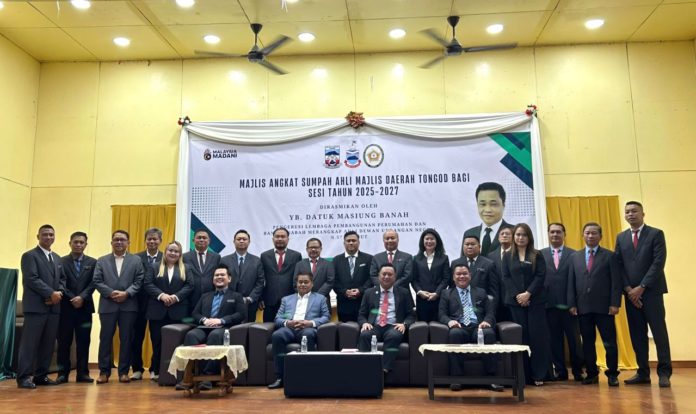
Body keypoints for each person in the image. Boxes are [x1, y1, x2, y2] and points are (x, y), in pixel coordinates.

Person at [614, 201, 672, 388]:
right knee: (637, 335)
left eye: (634, 211)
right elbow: (618, 265)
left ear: (643, 214)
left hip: (652, 293)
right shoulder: (621, 237)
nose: (630, 214)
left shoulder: (656, 234)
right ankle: (643, 373)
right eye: (627, 212)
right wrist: (628, 289)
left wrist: (642, 287)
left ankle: (664, 373)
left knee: (659, 333)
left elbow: (658, 262)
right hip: (631, 295)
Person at [568, 222, 621, 387]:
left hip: (605, 308)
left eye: (594, 233)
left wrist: (615, 303)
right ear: (583, 235)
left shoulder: (610, 256)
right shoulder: (574, 257)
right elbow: (571, 282)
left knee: (609, 342)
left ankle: (612, 374)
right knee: (587, 343)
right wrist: (572, 304)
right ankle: (591, 374)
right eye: (587, 233)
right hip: (583, 308)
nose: (590, 236)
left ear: (600, 236)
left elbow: (616, 282)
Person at [439, 264, 503, 392]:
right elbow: (442, 314)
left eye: (465, 274)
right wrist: (450, 322)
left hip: (478, 326)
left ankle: (491, 378)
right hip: (459, 326)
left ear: (470, 276)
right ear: (453, 277)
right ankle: (457, 378)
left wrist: (486, 321)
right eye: (458, 274)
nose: (462, 276)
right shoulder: (446, 293)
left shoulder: (481, 292)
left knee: (489, 333)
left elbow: (490, 312)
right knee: (454, 334)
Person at [93, 230, 145, 384]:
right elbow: (97, 281)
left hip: (128, 305)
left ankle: (123, 372)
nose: (119, 242)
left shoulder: (136, 260)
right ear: (111, 242)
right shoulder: (102, 260)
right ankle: (104, 372)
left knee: (127, 339)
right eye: (116, 239)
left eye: (122, 240)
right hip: (108, 305)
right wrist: (111, 293)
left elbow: (139, 280)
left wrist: (127, 293)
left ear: (128, 243)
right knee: (105, 338)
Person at [16, 224, 65, 389]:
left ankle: (41, 376)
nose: (49, 237)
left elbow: (62, 280)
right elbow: (31, 278)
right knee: (29, 344)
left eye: (51, 234)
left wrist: (59, 294)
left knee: (48, 344)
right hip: (36, 307)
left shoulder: (57, 258)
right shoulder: (29, 256)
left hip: (54, 308)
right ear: (38, 237)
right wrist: (50, 293)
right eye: (45, 234)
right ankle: (24, 377)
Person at [501, 223, 550, 386]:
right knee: (521, 338)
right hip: (515, 303)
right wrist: (518, 296)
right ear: (513, 237)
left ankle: (538, 375)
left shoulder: (537, 255)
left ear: (529, 237)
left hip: (536, 302)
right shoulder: (507, 256)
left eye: (524, 235)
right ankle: (523, 375)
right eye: (518, 235)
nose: (520, 238)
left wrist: (528, 293)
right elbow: (506, 277)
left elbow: (540, 276)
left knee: (537, 338)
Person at [183, 264, 246, 382]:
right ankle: (190, 376)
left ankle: (207, 377)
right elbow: (195, 313)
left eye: (222, 275)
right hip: (204, 327)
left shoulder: (236, 296)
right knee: (191, 335)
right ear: (213, 279)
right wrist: (204, 320)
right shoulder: (205, 296)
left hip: (223, 328)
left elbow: (241, 314)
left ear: (229, 279)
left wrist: (221, 320)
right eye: (216, 275)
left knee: (215, 335)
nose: (219, 277)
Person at [267, 272, 330, 389]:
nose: (303, 284)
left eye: (306, 282)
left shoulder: (320, 299)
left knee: (308, 335)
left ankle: (308, 376)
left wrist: (310, 323)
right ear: (296, 284)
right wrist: (288, 323)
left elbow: (326, 317)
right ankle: (280, 377)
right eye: (300, 282)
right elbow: (278, 318)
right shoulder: (286, 299)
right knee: (277, 335)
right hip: (290, 328)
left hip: (307, 328)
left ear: (312, 284)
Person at [144, 241, 194, 379]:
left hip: (178, 312)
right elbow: (147, 284)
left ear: (180, 254)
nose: (173, 253)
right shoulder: (154, 267)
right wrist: (162, 295)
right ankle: (156, 371)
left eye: (176, 251)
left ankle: (175, 372)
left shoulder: (186, 268)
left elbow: (190, 285)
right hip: (157, 312)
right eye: (170, 250)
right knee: (157, 342)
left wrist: (176, 297)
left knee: (176, 343)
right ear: (165, 252)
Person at [540, 223, 584, 382]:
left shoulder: (575, 255)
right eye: (552, 232)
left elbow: (578, 281)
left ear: (564, 234)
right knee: (555, 340)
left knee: (574, 340)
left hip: (570, 306)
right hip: (549, 306)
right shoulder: (540, 254)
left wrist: (575, 303)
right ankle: (560, 371)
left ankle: (578, 371)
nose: (555, 235)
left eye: (558, 232)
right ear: (548, 234)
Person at [358, 264, 416, 374]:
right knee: (365, 335)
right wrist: (364, 323)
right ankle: (364, 369)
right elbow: (361, 314)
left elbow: (411, 315)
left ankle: (383, 370)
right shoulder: (369, 292)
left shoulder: (404, 292)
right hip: (374, 325)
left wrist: (404, 324)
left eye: (390, 274)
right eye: (384, 274)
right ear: (379, 276)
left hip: (393, 325)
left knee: (394, 336)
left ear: (395, 277)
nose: (386, 277)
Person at [56, 231, 96, 384]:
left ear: (86, 244)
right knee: (64, 342)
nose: (78, 245)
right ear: (70, 243)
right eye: (75, 242)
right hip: (66, 307)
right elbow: (59, 282)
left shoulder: (93, 262)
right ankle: (62, 374)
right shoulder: (60, 261)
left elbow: (94, 283)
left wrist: (82, 297)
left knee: (84, 341)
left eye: (81, 242)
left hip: (85, 308)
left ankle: (83, 373)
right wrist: (72, 297)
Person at [131, 227, 163, 381]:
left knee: (157, 338)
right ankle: (137, 369)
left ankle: (154, 369)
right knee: (136, 338)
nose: (152, 241)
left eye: (155, 239)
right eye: (149, 239)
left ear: (160, 241)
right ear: (145, 241)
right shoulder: (136, 258)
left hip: (159, 305)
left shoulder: (166, 257)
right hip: (139, 304)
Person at [220, 229, 265, 322]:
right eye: (239, 239)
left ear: (249, 242)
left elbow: (260, 282)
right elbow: (221, 281)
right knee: (229, 327)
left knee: (248, 328)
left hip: (250, 304)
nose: (241, 241)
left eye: (244, 239)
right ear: (234, 241)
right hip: (229, 302)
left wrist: (250, 298)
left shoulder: (257, 261)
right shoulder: (224, 260)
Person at [260, 227, 302, 322]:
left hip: (290, 300)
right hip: (269, 301)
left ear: (288, 239)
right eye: (277, 236)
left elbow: (298, 277)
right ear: (273, 239)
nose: (280, 239)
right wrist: (260, 298)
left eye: (283, 236)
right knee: (268, 327)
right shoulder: (264, 256)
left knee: (288, 328)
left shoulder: (296, 255)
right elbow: (261, 279)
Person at [332, 231, 373, 322]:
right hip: (344, 304)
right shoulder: (336, 260)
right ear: (344, 243)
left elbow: (371, 278)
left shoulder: (368, 258)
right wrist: (345, 292)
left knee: (365, 328)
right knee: (345, 329)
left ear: (358, 242)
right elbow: (334, 281)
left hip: (363, 302)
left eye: (354, 240)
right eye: (348, 241)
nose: (351, 243)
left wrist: (360, 290)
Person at [463, 182, 512, 256]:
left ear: (503, 205)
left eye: (493, 204)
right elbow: (463, 262)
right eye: (483, 204)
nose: (488, 210)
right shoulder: (469, 234)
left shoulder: (515, 233)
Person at [411, 228, 449, 322]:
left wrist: (437, 293)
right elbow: (413, 279)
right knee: (422, 326)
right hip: (421, 299)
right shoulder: (416, 258)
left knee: (437, 327)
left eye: (432, 239)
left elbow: (446, 278)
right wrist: (419, 291)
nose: (429, 241)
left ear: (437, 241)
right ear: (422, 241)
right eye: (427, 239)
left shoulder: (444, 258)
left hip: (438, 299)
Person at [450, 235, 500, 309]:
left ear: (479, 247)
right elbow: (452, 287)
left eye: (473, 244)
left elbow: (494, 291)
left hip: (481, 307)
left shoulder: (489, 264)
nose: (469, 246)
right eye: (467, 244)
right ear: (463, 247)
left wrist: (491, 310)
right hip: (458, 307)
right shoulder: (455, 263)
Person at [182, 229, 221, 314]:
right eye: (199, 237)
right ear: (193, 240)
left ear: (209, 241)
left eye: (204, 238)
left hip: (211, 298)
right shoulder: (184, 257)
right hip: (190, 298)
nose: (201, 240)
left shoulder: (216, 257)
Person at [294, 238, 335, 309]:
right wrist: (306, 295)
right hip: (303, 301)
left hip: (322, 300)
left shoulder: (328, 264)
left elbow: (330, 282)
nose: (313, 249)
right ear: (307, 249)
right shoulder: (299, 264)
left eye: (316, 247)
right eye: (311, 247)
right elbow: (295, 282)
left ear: (320, 249)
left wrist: (317, 296)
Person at [487, 225, 514, 322]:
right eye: (502, 234)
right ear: (498, 238)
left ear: (513, 237)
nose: (504, 235)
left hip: (515, 299)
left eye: (508, 234)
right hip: (497, 301)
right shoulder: (490, 256)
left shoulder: (519, 254)